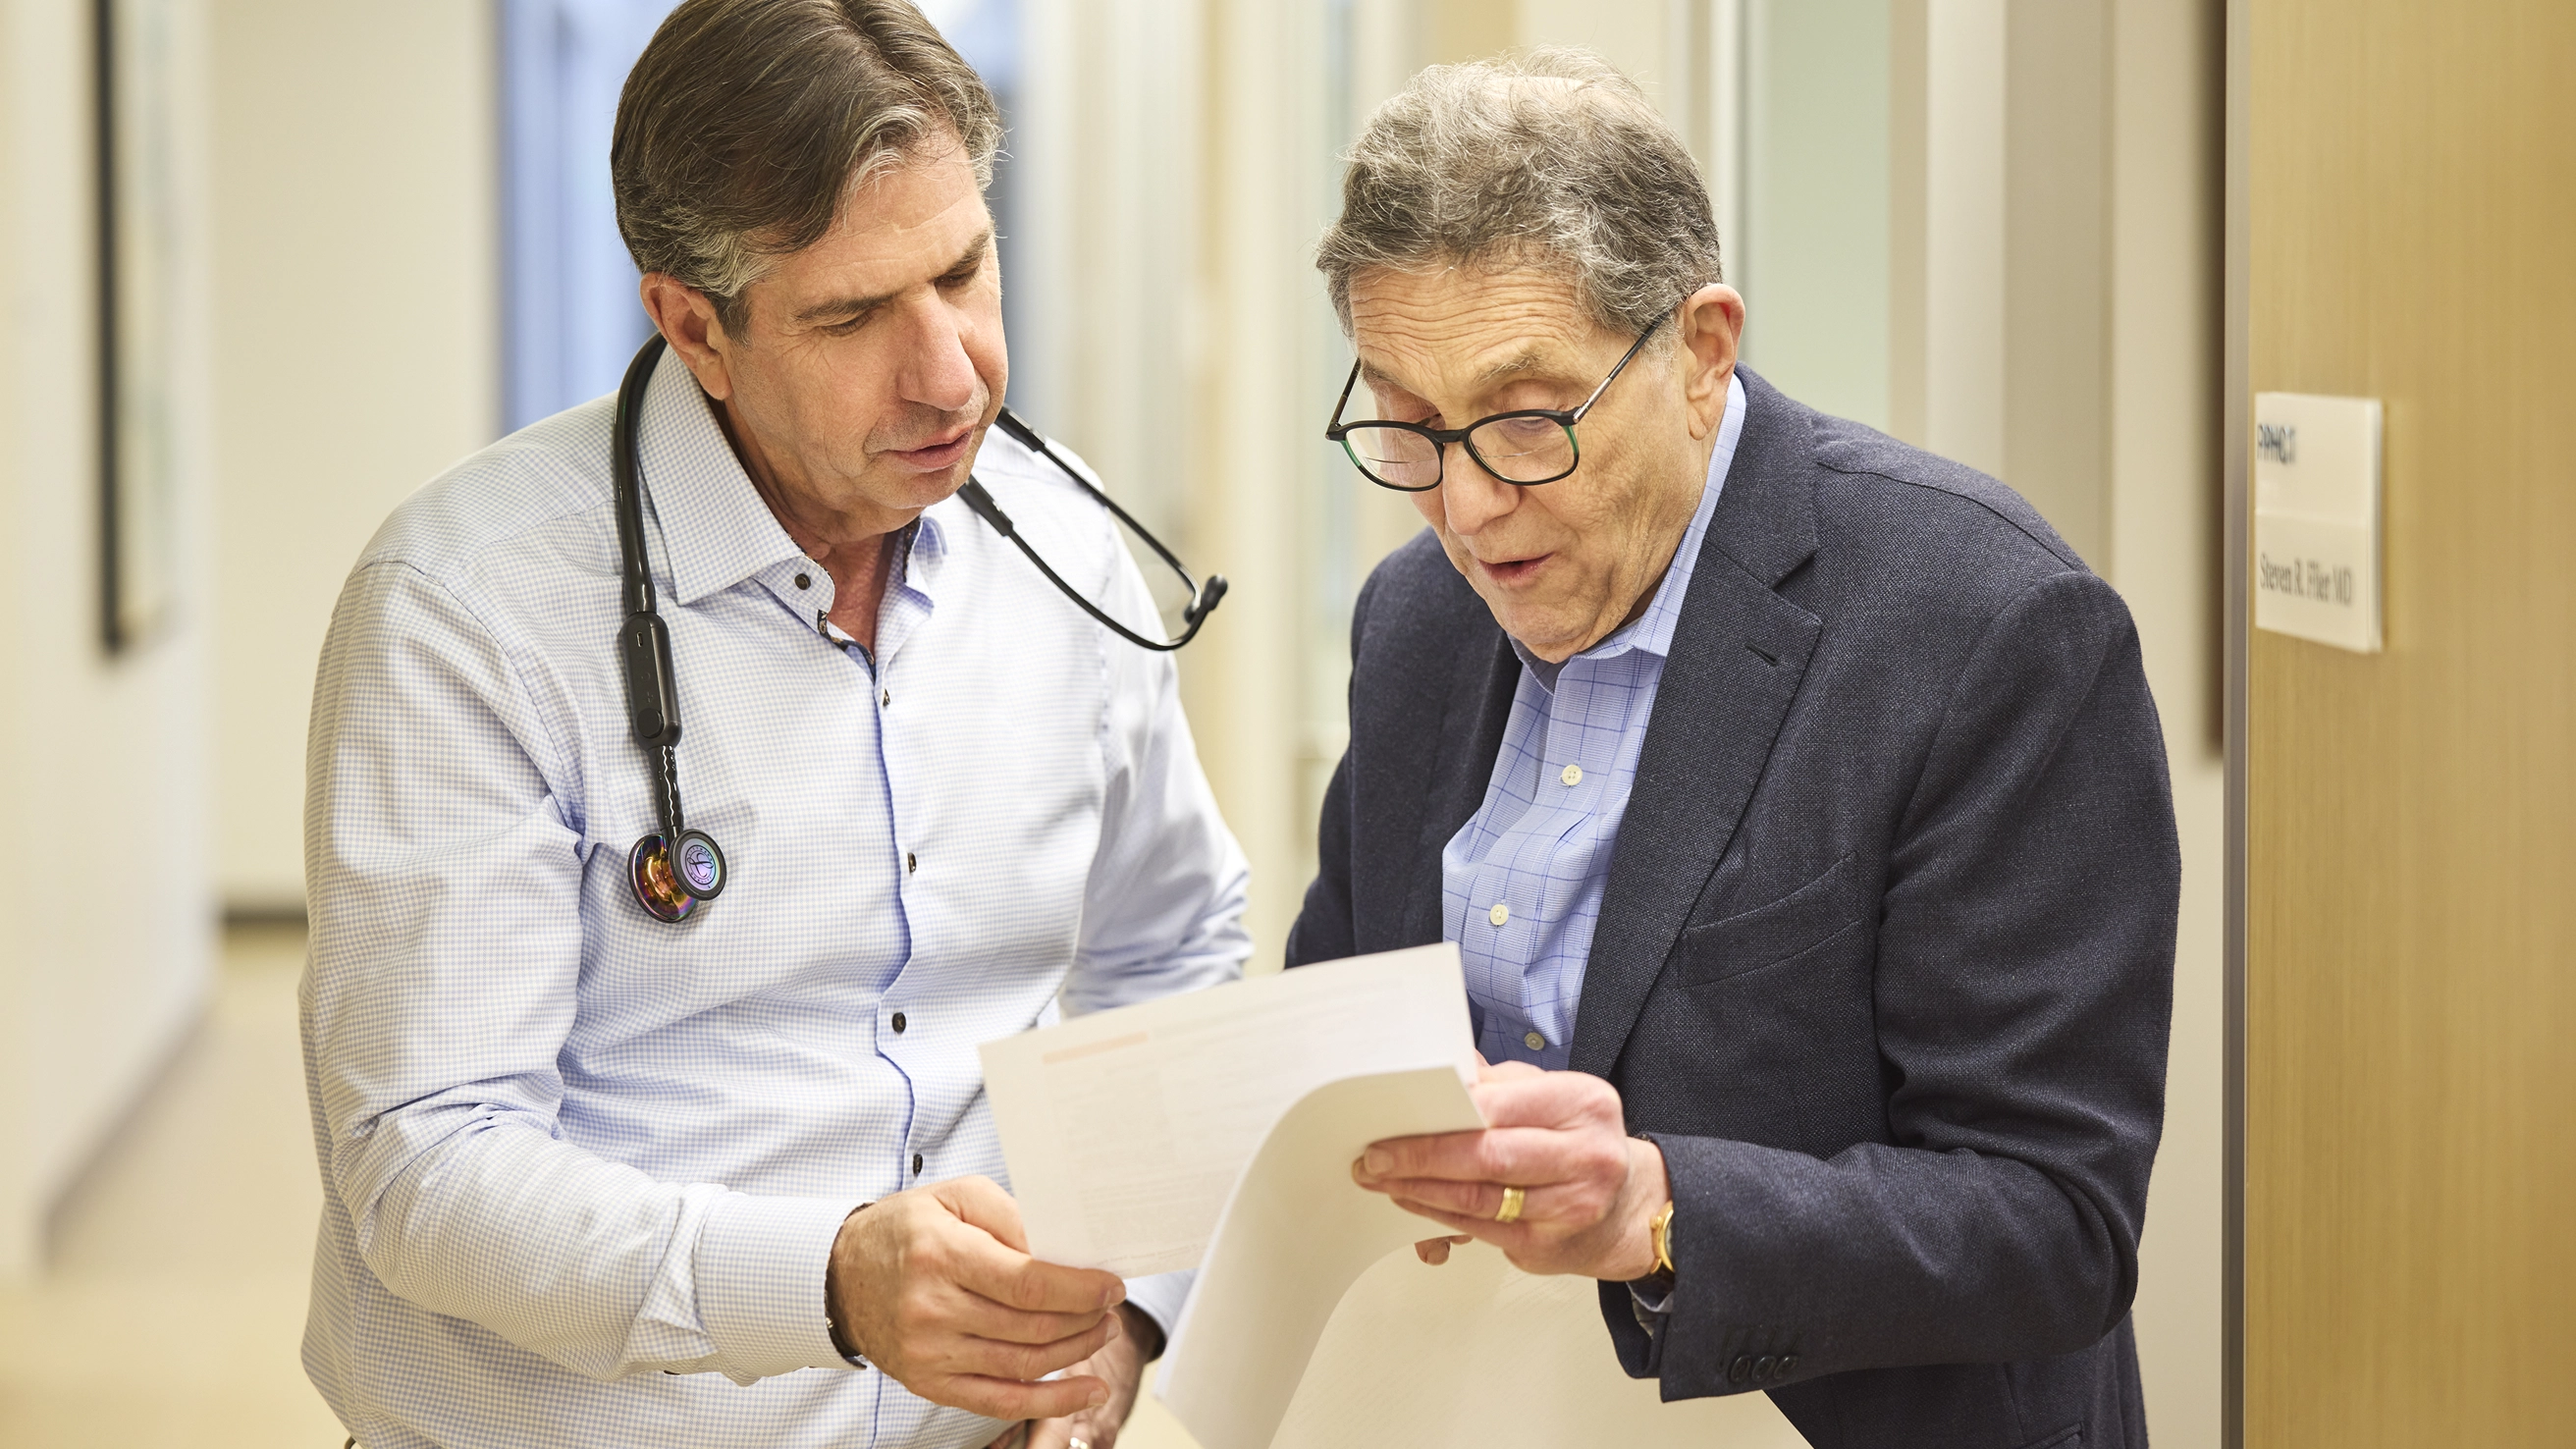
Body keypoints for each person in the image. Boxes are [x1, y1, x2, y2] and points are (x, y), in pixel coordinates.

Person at [297, 4, 1247, 1447]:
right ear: (694, 325)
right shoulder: (466, 613)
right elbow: (428, 1169)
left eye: (963, 271)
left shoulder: (1063, 553)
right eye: (856, 315)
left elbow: (1171, 948)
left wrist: (1130, 1314)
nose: (951, 373)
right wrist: (828, 1283)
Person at [1292, 50, 2177, 1448]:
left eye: (1528, 421)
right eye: (1408, 422)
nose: (1466, 507)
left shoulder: (1989, 629)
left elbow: (2053, 1220)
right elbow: (1334, 1016)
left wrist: (1655, 1209)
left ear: (1700, 352)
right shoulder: (1416, 621)